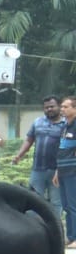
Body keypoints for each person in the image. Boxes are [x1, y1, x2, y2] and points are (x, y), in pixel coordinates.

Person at [15, 95, 64, 218]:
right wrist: (19, 155)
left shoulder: (67, 124)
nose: (49, 109)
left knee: (56, 202)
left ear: (59, 106)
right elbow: (29, 140)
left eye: (52, 106)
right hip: (38, 169)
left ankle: (54, 228)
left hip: (57, 170)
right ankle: (34, 227)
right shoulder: (38, 122)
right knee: (34, 199)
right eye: (46, 107)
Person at [56, 97, 76, 246]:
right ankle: (70, 236)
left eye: (66, 106)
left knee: (73, 205)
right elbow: (62, 150)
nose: (62, 109)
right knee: (66, 206)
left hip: (73, 170)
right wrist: (57, 171)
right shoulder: (65, 127)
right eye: (61, 106)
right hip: (63, 169)